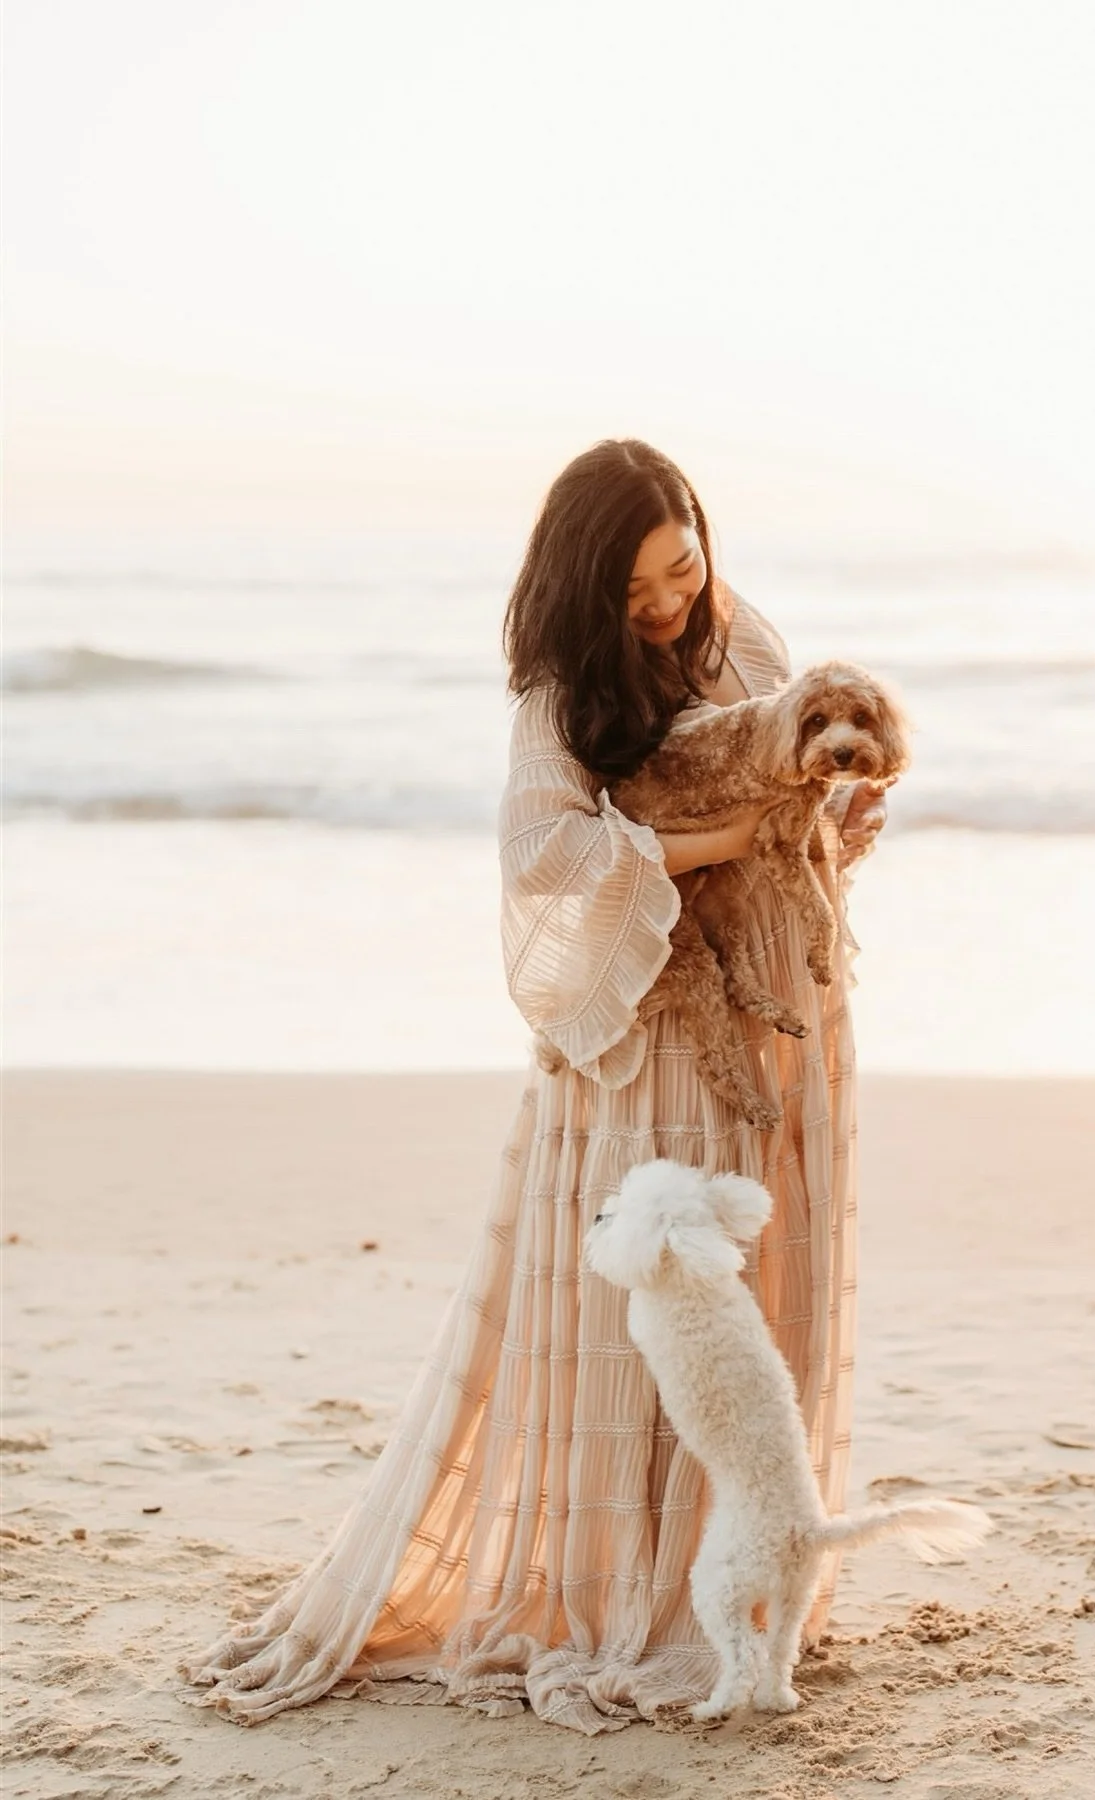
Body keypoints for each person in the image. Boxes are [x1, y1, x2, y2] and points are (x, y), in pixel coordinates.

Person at [179, 438, 889, 1736]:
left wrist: (833, 824)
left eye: (683, 569)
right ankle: (639, 1594)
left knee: (763, 1291)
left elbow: (795, 785)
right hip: (654, 1021)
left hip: (781, 1004)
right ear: (584, 588)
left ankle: (758, 1577)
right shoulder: (562, 691)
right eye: (637, 589)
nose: (668, 602)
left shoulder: (750, 638)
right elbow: (544, 852)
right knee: (657, 1308)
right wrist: (734, 834)